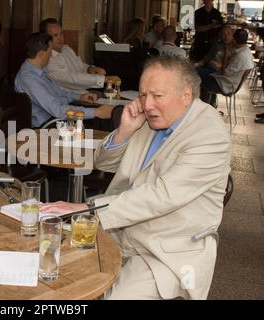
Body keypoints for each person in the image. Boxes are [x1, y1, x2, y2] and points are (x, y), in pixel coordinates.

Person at [41, 56, 231, 300]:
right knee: (53, 268)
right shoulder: (152, 116)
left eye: (157, 96)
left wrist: (85, 208)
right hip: (119, 232)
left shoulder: (209, 134)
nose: (147, 104)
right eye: (143, 95)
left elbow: (161, 196)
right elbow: (104, 163)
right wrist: (124, 131)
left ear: (186, 95)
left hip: (165, 250)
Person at [14, 32, 114, 128]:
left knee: (101, 121)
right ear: (41, 54)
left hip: (56, 118)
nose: (51, 55)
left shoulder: (40, 71)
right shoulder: (29, 80)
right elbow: (57, 110)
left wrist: (80, 97)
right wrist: (97, 112)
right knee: (100, 123)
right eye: (50, 52)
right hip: (48, 125)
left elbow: (59, 92)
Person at [40, 18, 118, 95]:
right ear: (45, 38)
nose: (60, 38)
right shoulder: (47, 59)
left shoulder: (66, 49)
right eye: (55, 35)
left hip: (84, 93)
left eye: (61, 33)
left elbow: (79, 66)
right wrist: (104, 79)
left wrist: (89, 69)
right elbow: (71, 79)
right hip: (68, 98)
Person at [200, 29, 254, 107]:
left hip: (226, 85)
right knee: (203, 73)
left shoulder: (240, 56)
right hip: (230, 82)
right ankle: (210, 105)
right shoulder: (246, 50)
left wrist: (225, 56)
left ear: (234, 40)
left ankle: (205, 108)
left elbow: (224, 73)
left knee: (197, 78)